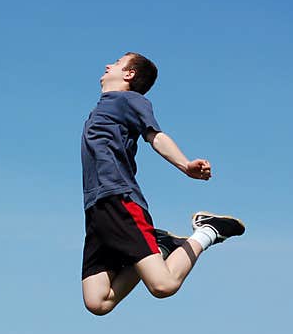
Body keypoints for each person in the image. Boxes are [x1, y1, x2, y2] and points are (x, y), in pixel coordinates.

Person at [80, 52, 245, 316]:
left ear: (129, 74)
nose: (108, 64)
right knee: (97, 302)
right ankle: (161, 246)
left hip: (119, 199)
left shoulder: (129, 100)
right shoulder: (101, 108)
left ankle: (208, 231)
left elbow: (155, 136)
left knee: (163, 285)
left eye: (117, 63)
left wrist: (185, 164)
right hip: (95, 208)